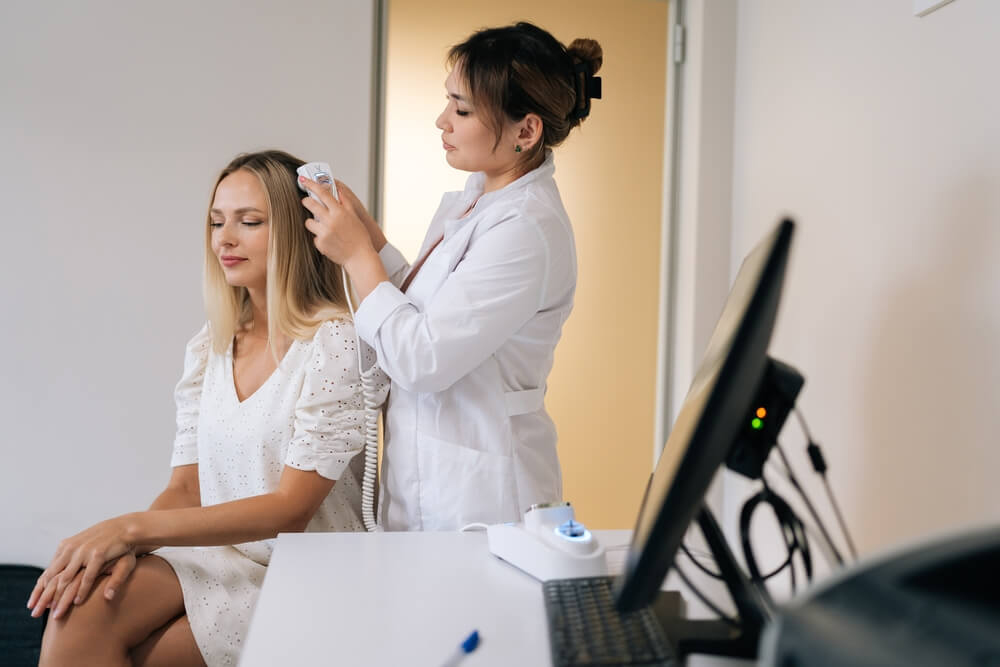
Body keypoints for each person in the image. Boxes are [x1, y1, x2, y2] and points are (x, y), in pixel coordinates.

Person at [28, 150, 389, 666]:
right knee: (79, 608)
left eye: (250, 222)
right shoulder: (210, 347)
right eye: (217, 222)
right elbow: (187, 487)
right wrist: (126, 550)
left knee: (150, 654)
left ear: (297, 230)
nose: (225, 238)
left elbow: (292, 509)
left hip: (302, 574)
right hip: (220, 556)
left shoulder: (336, 342)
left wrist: (129, 528)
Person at [299, 22, 603, 531]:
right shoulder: (478, 199)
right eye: (448, 102)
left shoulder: (526, 228)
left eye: (461, 110)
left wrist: (357, 257)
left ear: (526, 132)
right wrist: (372, 241)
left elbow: (422, 357)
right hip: (430, 482)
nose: (443, 121)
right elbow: (430, 313)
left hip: (482, 502)